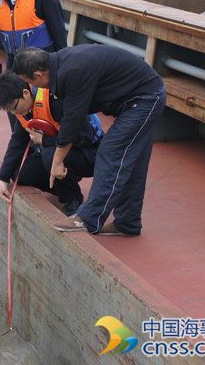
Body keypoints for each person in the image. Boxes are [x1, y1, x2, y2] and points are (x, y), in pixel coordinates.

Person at [11, 46, 166, 236]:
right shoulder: (60, 66)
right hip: (133, 100)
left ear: (39, 74)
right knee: (134, 163)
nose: (34, 88)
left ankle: (88, 218)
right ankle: (128, 222)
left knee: (110, 151)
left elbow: (72, 122)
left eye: (30, 82)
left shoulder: (73, 71)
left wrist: (57, 161)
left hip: (144, 99)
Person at [0, 73, 103, 215]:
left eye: (13, 107)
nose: (14, 113)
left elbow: (83, 137)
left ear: (25, 93)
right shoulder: (23, 111)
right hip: (61, 154)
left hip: (90, 153)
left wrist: (45, 141)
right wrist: (3, 178)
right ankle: (66, 182)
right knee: (20, 173)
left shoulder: (54, 99)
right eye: (9, 111)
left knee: (50, 155)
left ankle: (72, 199)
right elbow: (17, 143)